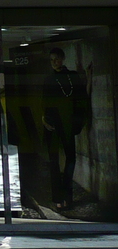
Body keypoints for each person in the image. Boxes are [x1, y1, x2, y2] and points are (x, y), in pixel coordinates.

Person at [42, 47, 89, 211]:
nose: (54, 62)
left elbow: (81, 99)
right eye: (51, 59)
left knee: (68, 159)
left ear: (62, 59)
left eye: (56, 59)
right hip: (54, 125)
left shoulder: (70, 77)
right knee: (55, 161)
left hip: (66, 123)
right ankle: (60, 198)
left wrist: (79, 122)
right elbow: (45, 105)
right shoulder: (50, 80)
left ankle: (65, 196)